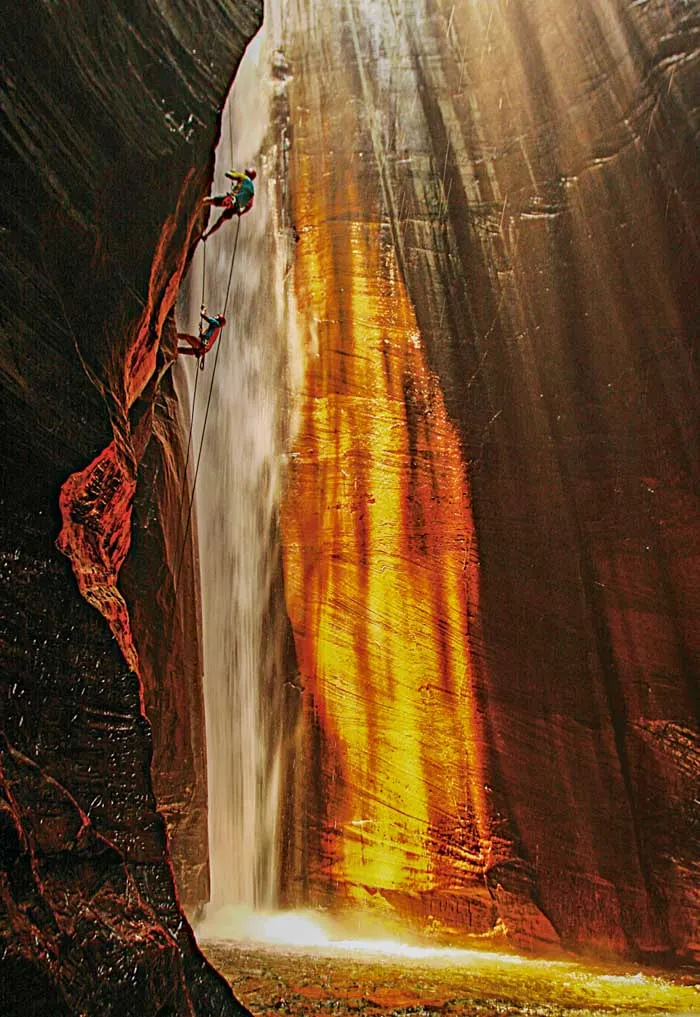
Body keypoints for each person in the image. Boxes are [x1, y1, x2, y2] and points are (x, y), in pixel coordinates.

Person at [200, 167, 256, 241]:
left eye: (245, 172)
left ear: (247, 174)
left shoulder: (243, 177)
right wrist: (241, 213)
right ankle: (207, 235)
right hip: (236, 208)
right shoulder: (252, 190)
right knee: (221, 220)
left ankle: (197, 205)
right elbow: (250, 206)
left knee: (209, 200)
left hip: (230, 200)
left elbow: (228, 174)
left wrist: (232, 171)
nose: (244, 173)